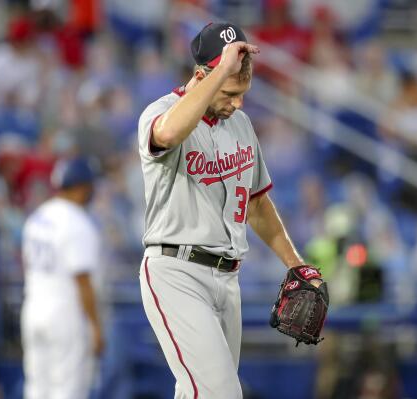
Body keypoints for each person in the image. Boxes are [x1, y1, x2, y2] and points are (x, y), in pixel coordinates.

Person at [137, 22, 322, 398]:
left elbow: (256, 202)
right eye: (230, 91)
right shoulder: (161, 112)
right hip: (177, 271)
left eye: (243, 92)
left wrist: (295, 263)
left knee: (198, 392)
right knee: (221, 393)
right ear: (202, 75)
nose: (238, 102)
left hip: (227, 279)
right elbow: (167, 135)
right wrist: (221, 70)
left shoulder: (240, 124)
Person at [21, 157, 104, 399]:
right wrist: (96, 326)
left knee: (37, 387)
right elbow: (83, 281)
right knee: (67, 390)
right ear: (81, 186)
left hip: (33, 308)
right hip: (64, 313)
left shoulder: (37, 216)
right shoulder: (77, 222)